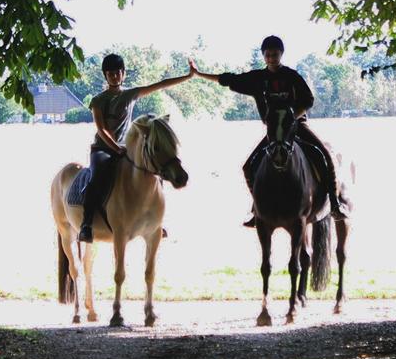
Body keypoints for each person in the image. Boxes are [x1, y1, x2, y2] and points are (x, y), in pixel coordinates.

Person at [190, 35, 349, 227]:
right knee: (248, 166)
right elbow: (228, 79)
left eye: (275, 54)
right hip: (273, 131)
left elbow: (309, 100)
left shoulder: (292, 76)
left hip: (296, 126)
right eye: (268, 55)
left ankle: (334, 203)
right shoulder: (257, 79)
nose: (272, 58)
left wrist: (292, 116)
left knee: (325, 154)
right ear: (263, 56)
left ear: (281, 54)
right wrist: (199, 74)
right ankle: (257, 208)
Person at [79, 53, 194, 243]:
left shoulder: (130, 95)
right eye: (110, 74)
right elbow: (101, 129)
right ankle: (86, 224)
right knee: (96, 177)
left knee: (155, 171)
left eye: (117, 73)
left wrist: (188, 76)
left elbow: (160, 84)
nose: (114, 76)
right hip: (103, 149)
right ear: (105, 76)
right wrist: (116, 148)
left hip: (126, 149)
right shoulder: (98, 100)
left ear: (123, 73)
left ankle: (156, 220)